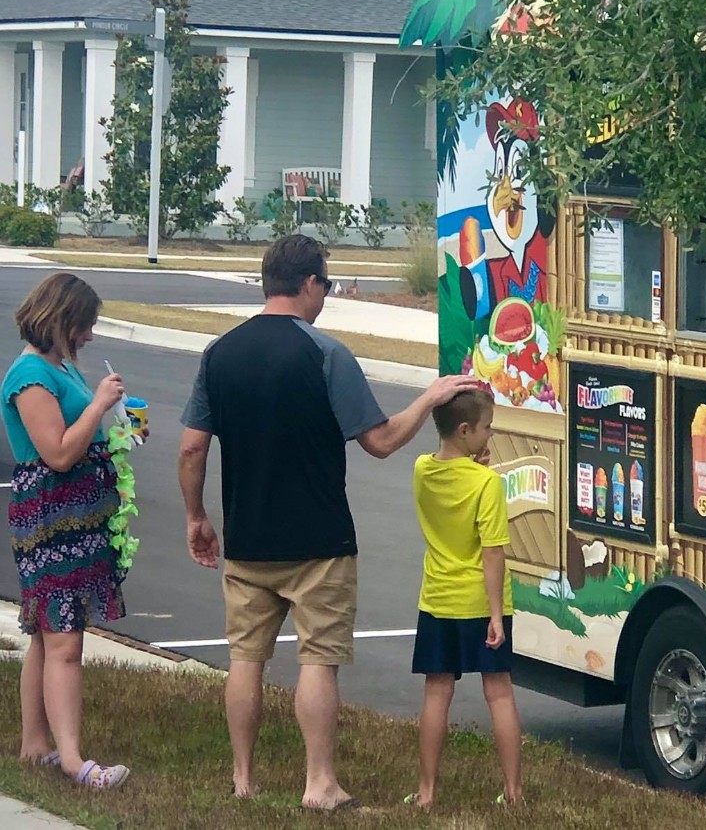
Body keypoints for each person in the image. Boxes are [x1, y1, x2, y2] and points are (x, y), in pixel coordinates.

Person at [177, 234, 478, 811]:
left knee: (246, 658)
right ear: (310, 283)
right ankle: (320, 783)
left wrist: (198, 517)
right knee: (317, 659)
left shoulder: (219, 354)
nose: (326, 295)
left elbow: (192, 449)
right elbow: (382, 441)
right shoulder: (325, 353)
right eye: (327, 284)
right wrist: (429, 396)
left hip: (247, 538)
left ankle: (242, 779)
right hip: (320, 541)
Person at [1, 273, 131, 788]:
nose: (89, 337)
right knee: (65, 641)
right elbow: (55, 452)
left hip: (78, 518)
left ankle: (36, 746)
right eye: (85, 325)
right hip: (51, 518)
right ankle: (76, 762)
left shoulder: (62, 368)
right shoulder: (29, 376)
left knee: (45, 635)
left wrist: (118, 421)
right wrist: (98, 404)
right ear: (61, 319)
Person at [405, 387, 522, 809]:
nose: (490, 435)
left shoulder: (421, 469)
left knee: (436, 694)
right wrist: (495, 614)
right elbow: (493, 552)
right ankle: (512, 792)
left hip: (438, 598)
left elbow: (449, 475)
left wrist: (471, 463)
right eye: (487, 428)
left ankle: (426, 791)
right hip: (480, 602)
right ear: (466, 429)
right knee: (500, 693)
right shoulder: (488, 484)